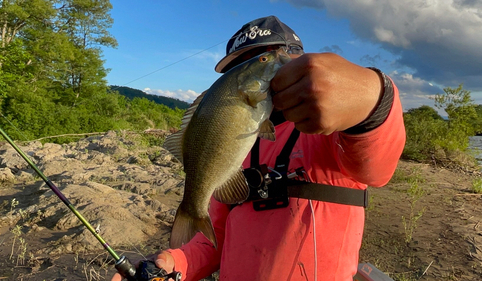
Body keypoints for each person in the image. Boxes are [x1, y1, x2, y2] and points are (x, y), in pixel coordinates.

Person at [112, 15, 405, 281]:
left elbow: (377, 164)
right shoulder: (238, 144)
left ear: (299, 62)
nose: (269, 64)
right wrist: (174, 261)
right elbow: (215, 239)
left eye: (268, 56)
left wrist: (371, 95)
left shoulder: (333, 131)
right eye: (240, 66)